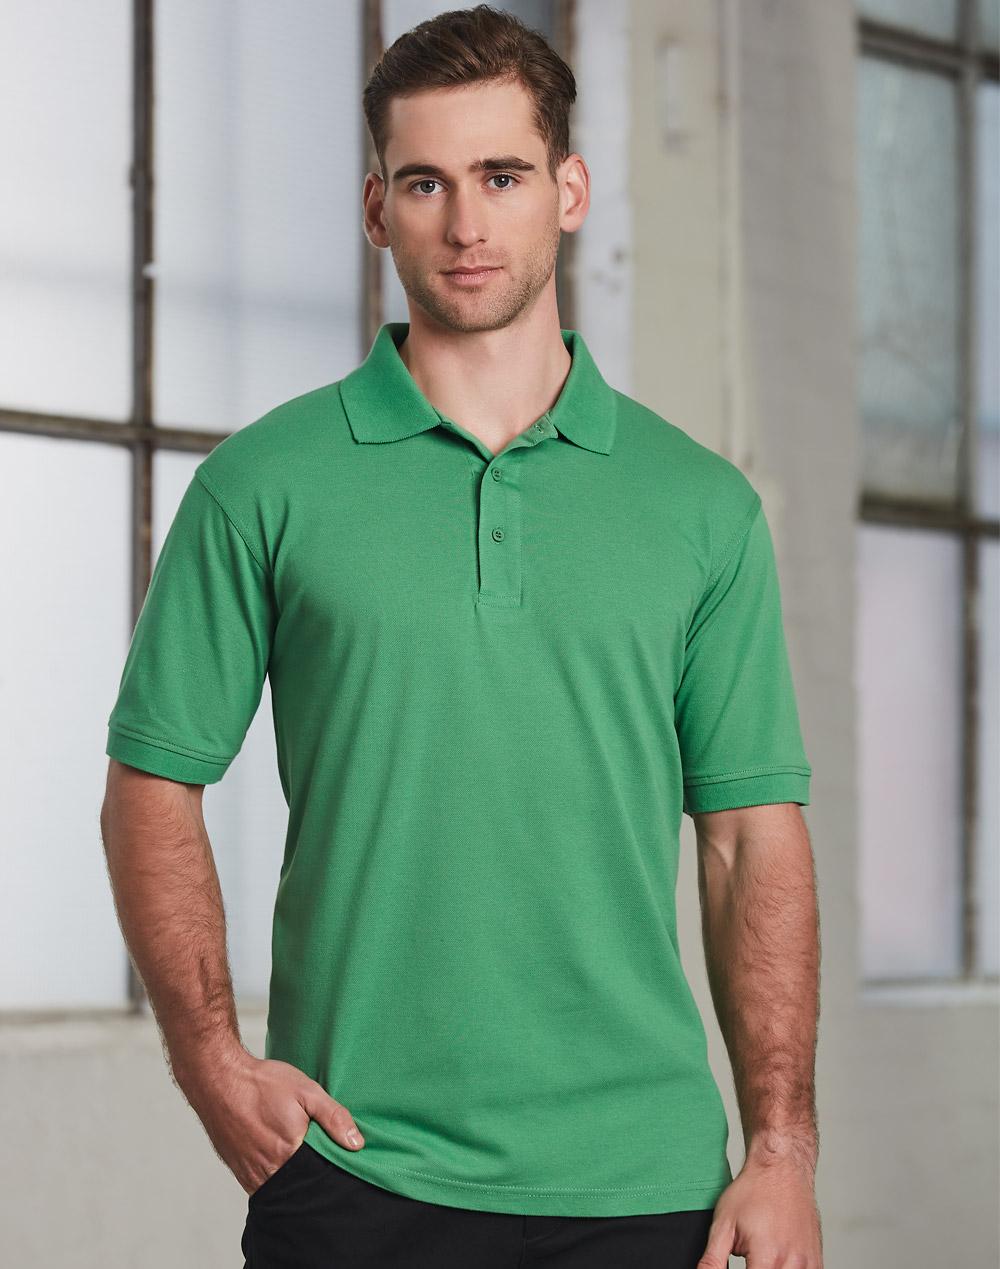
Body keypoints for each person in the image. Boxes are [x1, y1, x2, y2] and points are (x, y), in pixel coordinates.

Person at [100, 6, 824, 1267]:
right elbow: (150, 786)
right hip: (357, 1175)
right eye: (425, 183)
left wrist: (781, 1152)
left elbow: (748, 839)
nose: (466, 224)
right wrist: (213, 1065)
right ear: (376, 209)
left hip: (645, 1185)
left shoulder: (701, 507)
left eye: (502, 176)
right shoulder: (263, 483)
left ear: (569, 191)